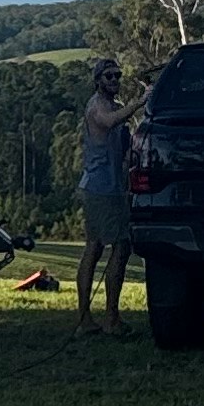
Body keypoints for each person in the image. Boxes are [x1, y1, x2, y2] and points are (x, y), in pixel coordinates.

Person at [77, 57, 133, 334]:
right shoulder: (96, 107)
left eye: (117, 76)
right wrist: (141, 101)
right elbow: (109, 122)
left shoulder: (115, 106)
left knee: (98, 247)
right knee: (116, 247)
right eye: (109, 76)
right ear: (98, 80)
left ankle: (92, 318)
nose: (114, 81)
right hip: (99, 189)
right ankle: (106, 318)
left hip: (112, 187)